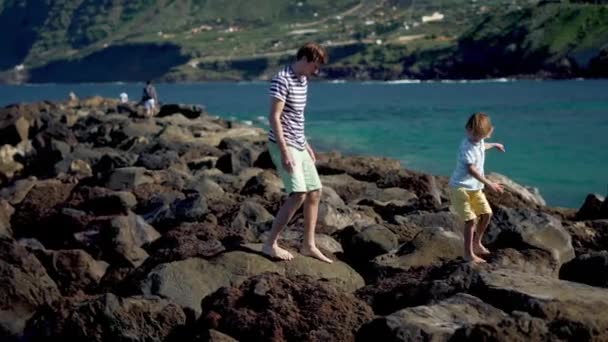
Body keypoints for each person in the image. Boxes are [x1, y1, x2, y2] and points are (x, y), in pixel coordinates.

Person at [263, 42, 332, 263]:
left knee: (315, 191)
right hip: (282, 144)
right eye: (316, 65)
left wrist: (306, 144)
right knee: (298, 194)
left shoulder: (303, 80)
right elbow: (275, 117)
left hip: (299, 143)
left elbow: (297, 117)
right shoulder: (281, 80)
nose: (317, 71)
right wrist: (285, 152)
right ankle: (270, 244)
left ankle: (308, 245)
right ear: (305, 59)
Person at [449, 112, 505, 264]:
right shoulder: (466, 146)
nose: (475, 139)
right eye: (472, 135)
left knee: (486, 214)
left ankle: (477, 243)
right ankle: (468, 254)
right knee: (471, 220)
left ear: (488, 133)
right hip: (460, 188)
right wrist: (490, 183)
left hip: (475, 189)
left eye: (479, 136)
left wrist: (494, 145)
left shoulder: (479, 141)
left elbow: (482, 146)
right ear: (467, 129)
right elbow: (471, 170)